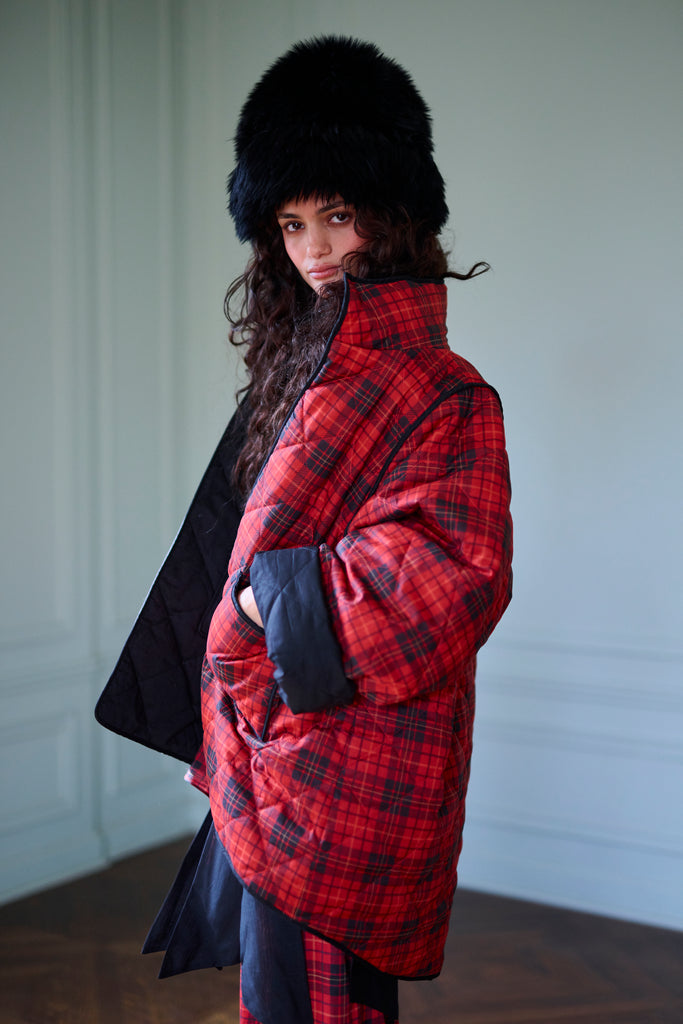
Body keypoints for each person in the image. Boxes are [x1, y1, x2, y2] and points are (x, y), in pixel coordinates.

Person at [96, 35, 513, 1024]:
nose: (315, 248)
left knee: (326, 1006)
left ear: (393, 214)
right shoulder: (301, 369)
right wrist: (229, 691)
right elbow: (235, 536)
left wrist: (254, 613)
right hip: (275, 749)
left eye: (336, 214)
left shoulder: (444, 391)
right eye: (290, 223)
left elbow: (451, 573)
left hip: (353, 760)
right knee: (276, 996)